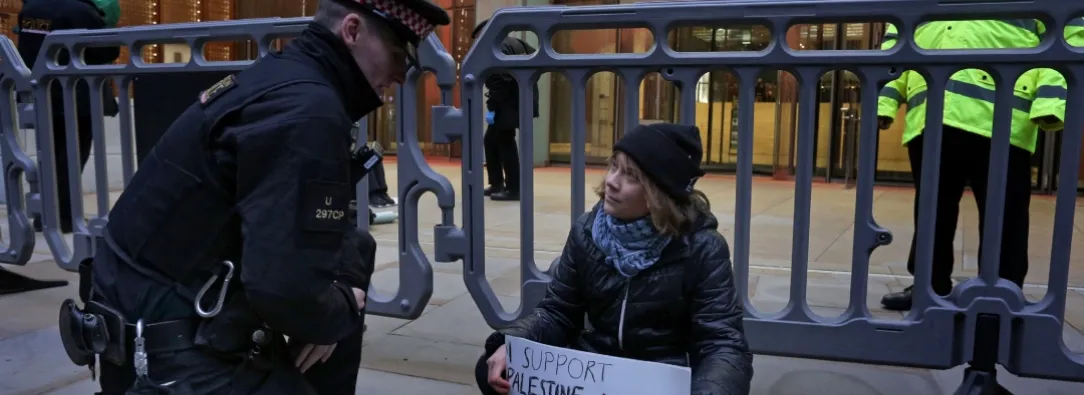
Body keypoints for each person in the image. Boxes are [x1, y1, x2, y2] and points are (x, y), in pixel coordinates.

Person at [56, 1, 449, 394]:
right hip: (173, 351)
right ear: (351, 31)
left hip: (155, 317)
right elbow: (282, 288)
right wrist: (338, 311)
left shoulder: (286, 82)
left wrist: (327, 308)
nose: (401, 74)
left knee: (354, 252)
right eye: (398, 55)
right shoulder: (307, 111)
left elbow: (310, 237)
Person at [475, 123, 754, 395]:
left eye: (630, 176)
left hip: (661, 375)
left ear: (660, 193)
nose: (611, 181)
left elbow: (722, 345)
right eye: (613, 166)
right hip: (593, 370)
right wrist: (513, 345)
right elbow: (557, 311)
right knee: (495, 368)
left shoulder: (702, 248)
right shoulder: (588, 230)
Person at [876, 20, 1077, 311]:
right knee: (933, 210)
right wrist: (886, 99)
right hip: (931, 114)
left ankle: (1002, 290)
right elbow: (897, 39)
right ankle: (929, 285)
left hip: (1002, 115)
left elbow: (1067, 31)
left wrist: (1051, 101)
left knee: (1005, 213)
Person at [17, 0, 121, 233]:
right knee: (72, 157)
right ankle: (64, 217)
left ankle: (45, 214)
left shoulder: (31, 9)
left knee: (49, 156)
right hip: (77, 95)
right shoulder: (81, 11)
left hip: (42, 92)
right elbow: (107, 49)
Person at [472, 18, 539, 202]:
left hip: (508, 104)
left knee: (505, 142)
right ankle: (497, 183)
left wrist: (493, 106)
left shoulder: (498, 46)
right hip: (520, 99)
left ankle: (513, 188)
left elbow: (500, 82)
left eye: (478, 38)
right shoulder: (515, 42)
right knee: (491, 140)